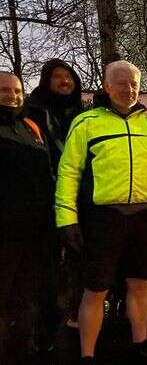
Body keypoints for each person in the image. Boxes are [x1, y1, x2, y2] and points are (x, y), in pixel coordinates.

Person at [55, 60, 147, 364]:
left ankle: (139, 345)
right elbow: (69, 172)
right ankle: (87, 354)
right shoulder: (87, 123)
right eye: (122, 83)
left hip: (143, 218)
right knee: (95, 289)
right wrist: (66, 219)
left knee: (139, 284)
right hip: (103, 219)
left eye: (134, 83)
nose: (129, 89)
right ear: (107, 86)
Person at [25, 59, 84, 343]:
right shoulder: (32, 112)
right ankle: (45, 326)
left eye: (68, 76)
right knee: (46, 265)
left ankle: (78, 315)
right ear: (46, 82)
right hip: (45, 196)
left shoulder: (85, 114)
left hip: (80, 197)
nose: (64, 81)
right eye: (57, 77)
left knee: (80, 259)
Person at [0, 72, 53, 357]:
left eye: (17, 90)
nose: (12, 95)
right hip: (5, 233)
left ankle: (25, 348)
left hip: (35, 231)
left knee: (28, 294)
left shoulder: (31, 126)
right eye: (5, 90)